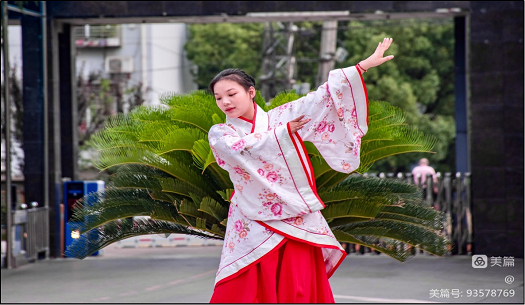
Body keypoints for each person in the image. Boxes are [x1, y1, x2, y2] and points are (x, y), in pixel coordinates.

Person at [207, 38, 394, 303]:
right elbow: (235, 148)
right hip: (252, 217)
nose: (225, 102)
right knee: (244, 284)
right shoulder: (221, 132)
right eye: (218, 98)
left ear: (250, 92)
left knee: (298, 282)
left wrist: (363, 66)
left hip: (296, 214)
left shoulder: (281, 117)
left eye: (231, 94)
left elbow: (320, 98)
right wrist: (282, 134)